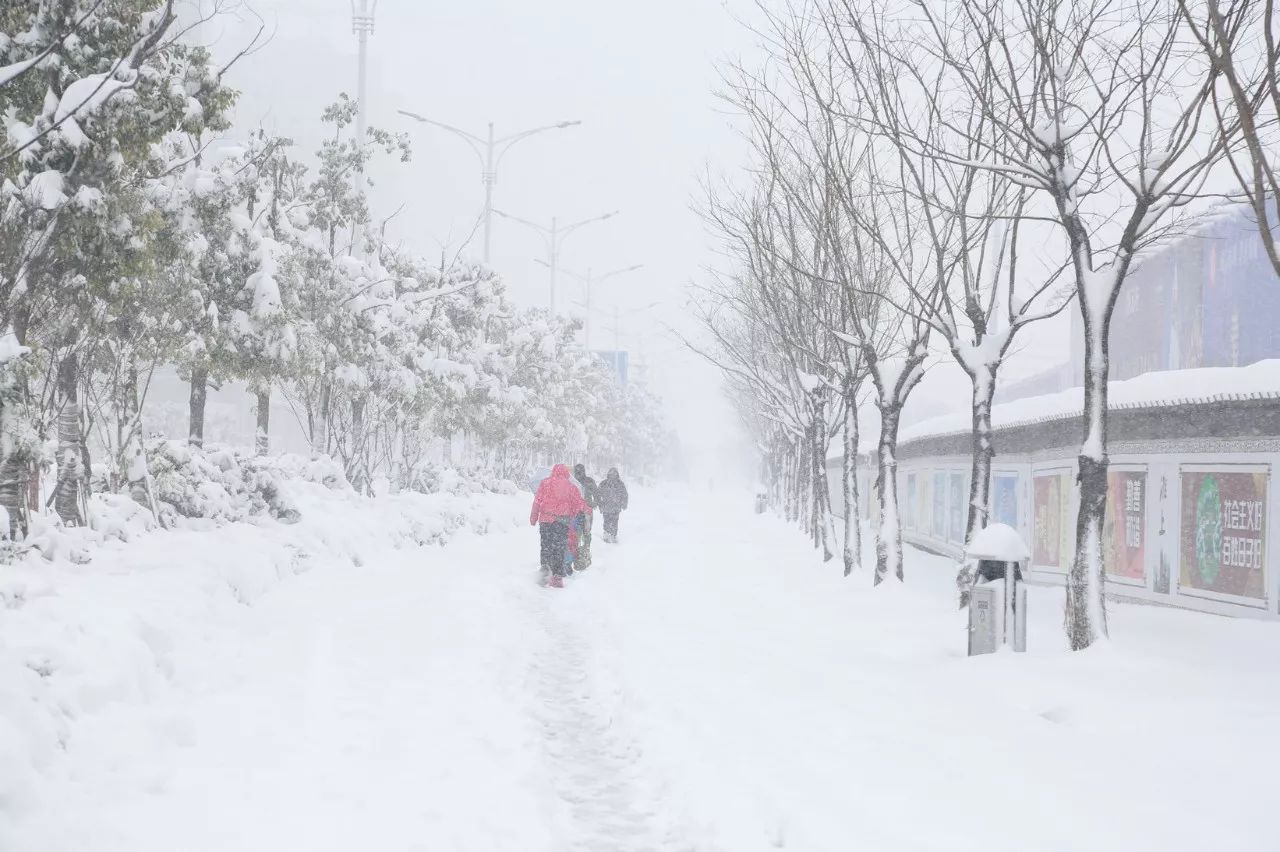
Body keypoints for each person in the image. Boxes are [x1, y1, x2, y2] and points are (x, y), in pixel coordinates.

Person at [530, 464, 590, 587]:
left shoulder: (545, 483)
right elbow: (578, 505)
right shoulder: (571, 487)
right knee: (559, 548)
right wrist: (572, 514)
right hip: (562, 522)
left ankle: (545, 569)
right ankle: (557, 576)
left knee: (546, 545)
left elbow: (537, 501)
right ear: (566, 473)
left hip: (545, 520)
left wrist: (533, 517)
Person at [572, 463, 598, 569]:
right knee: (576, 533)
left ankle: (586, 550)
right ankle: (578, 555)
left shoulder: (589, 481)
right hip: (576, 512)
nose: (578, 473)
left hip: (587, 512)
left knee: (586, 532)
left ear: (583, 471)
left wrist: (593, 503)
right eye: (576, 471)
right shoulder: (572, 481)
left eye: (580, 471)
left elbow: (596, 494)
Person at [596, 467, 629, 544]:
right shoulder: (604, 483)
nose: (612, 476)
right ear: (608, 475)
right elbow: (598, 494)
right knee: (606, 521)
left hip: (616, 507)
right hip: (606, 507)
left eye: (614, 474)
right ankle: (606, 534)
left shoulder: (620, 484)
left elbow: (625, 495)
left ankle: (613, 535)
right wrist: (600, 505)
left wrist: (624, 504)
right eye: (611, 474)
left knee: (615, 521)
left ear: (617, 475)